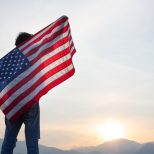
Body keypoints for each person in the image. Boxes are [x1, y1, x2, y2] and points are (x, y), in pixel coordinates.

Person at [1, 32, 40, 154]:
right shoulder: (33, 58)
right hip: (31, 102)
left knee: (9, 140)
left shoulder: (8, 62)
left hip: (13, 103)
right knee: (32, 141)